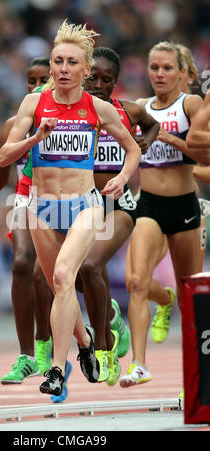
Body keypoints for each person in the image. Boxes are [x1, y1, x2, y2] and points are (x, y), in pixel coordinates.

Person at [0, 20, 141, 396]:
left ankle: (57, 371)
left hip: (84, 206)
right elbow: (3, 155)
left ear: (86, 69)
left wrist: (123, 177)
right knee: (60, 286)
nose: (62, 68)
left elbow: (133, 148)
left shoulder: (96, 107)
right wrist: (36, 137)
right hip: (40, 207)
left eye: (71, 62)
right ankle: (86, 344)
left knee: (63, 276)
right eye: (57, 61)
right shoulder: (34, 103)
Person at [121, 41, 207, 388]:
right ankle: (139, 364)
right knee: (136, 282)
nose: (159, 74)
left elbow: (204, 154)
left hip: (186, 207)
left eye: (167, 68)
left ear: (183, 73)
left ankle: (199, 379)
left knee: (191, 298)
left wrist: (174, 142)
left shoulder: (192, 104)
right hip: (149, 205)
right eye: (154, 67)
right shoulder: (140, 107)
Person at [78, 46, 160, 385]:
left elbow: (151, 125)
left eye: (106, 80)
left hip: (119, 205)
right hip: (81, 205)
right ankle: (111, 317)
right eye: (92, 77)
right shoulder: (71, 114)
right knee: (71, 277)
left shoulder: (128, 111)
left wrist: (142, 146)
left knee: (89, 265)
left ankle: (104, 348)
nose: (98, 84)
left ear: (115, 83)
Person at [0, 58, 55, 386]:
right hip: (23, 195)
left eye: (43, 79)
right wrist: (10, 155)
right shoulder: (14, 124)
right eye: (31, 81)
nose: (37, 86)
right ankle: (27, 355)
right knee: (21, 265)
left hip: (58, 199)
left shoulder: (66, 120)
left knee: (55, 275)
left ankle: (105, 320)